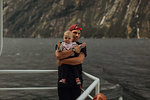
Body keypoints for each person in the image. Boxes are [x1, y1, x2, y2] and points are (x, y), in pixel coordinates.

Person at [55, 24, 87, 100]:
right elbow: (58, 56)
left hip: (76, 81)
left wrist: (62, 61)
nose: (77, 35)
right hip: (63, 80)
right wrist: (73, 50)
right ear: (70, 33)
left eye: (79, 33)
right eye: (75, 33)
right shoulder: (61, 44)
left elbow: (79, 60)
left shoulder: (81, 46)